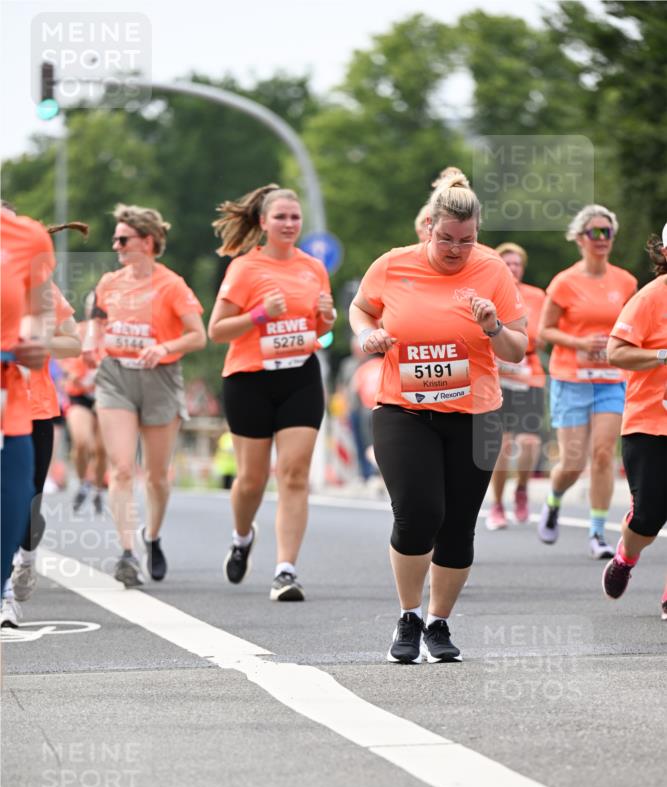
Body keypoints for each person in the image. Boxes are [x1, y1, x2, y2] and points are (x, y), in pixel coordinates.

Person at [349, 167, 527, 663]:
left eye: (466, 241)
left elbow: (516, 349)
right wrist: (368, 335)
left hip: (476, 415)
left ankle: (439, 621)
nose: (455, 249)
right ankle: (408, 615)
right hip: (404, 410)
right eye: (446, 238)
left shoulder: (492, 271)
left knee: (457, 525)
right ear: (428, 227)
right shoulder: (393, 265)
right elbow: (361, 309)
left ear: (478, 235)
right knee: (418, 513)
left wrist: (492, 327)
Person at [208, 184, 335, 601]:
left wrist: (326, 319)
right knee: (251, 479)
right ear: (263, 222)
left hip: (299, 374)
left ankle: (285, 571)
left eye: (295, 217)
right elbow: (217, 330)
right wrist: (261, 314)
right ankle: (242, 537)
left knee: (295, 474)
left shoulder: (313, 267)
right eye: (280, 217)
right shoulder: (245, 268)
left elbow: (318, 328)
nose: (289, 224)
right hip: (249, 379)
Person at [90, 204, 206, 587]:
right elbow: (96, 325)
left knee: (156, 476)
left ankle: (151, 537)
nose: (116, 245)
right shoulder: (109, 283)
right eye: (115, 238)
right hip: (116, 377)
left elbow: (198, 335)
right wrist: (90, 342)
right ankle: (126, 554)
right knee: (122, 469)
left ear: (148, 241)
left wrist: (165, 347)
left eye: (123, 239)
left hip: (160, 377)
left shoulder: (171, 285)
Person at [537, 205, 637, 557]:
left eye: (606, 232)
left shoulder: (625, 282)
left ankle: (597, 534)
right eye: (594, 232)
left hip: (610, 378)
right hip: (572, 378)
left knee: (603, 454)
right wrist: (580, 342)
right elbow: (543, 330)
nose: (601, 239)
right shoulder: (565, 282)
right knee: (573, 462)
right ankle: (554, 499)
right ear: (580, 238)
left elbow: (634, 327)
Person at [602, 222, 667, 619]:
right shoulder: (651, 298)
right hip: (649, 421)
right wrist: (663, 355)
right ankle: (626, 557)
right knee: (649, 515)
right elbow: (615, 352)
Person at [0, 205, 55, 600]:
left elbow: (38, 317)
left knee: (21, 511)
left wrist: (33, 343)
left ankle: (21, 567)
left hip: (13, 410)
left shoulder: (28, 237)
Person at [486, 242, 547, 529]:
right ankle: (497, 504)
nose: (512, 269)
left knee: (529, 442)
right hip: (497, 376)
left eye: (517, 264)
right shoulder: (490, 293)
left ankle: (521, 488)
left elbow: (543, 334)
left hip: (529, 374)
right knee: (501, 444)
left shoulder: (536, 296)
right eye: (507, 263)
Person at [63, 291, 107, 514]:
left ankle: (99, 488)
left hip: (107, 395)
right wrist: (77, 374)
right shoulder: (79, 331)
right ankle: (83, 482)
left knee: (101, 448)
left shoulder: (115, 334)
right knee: (82, 442)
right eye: (94, 306)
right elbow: (66, 364)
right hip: (80, 394)